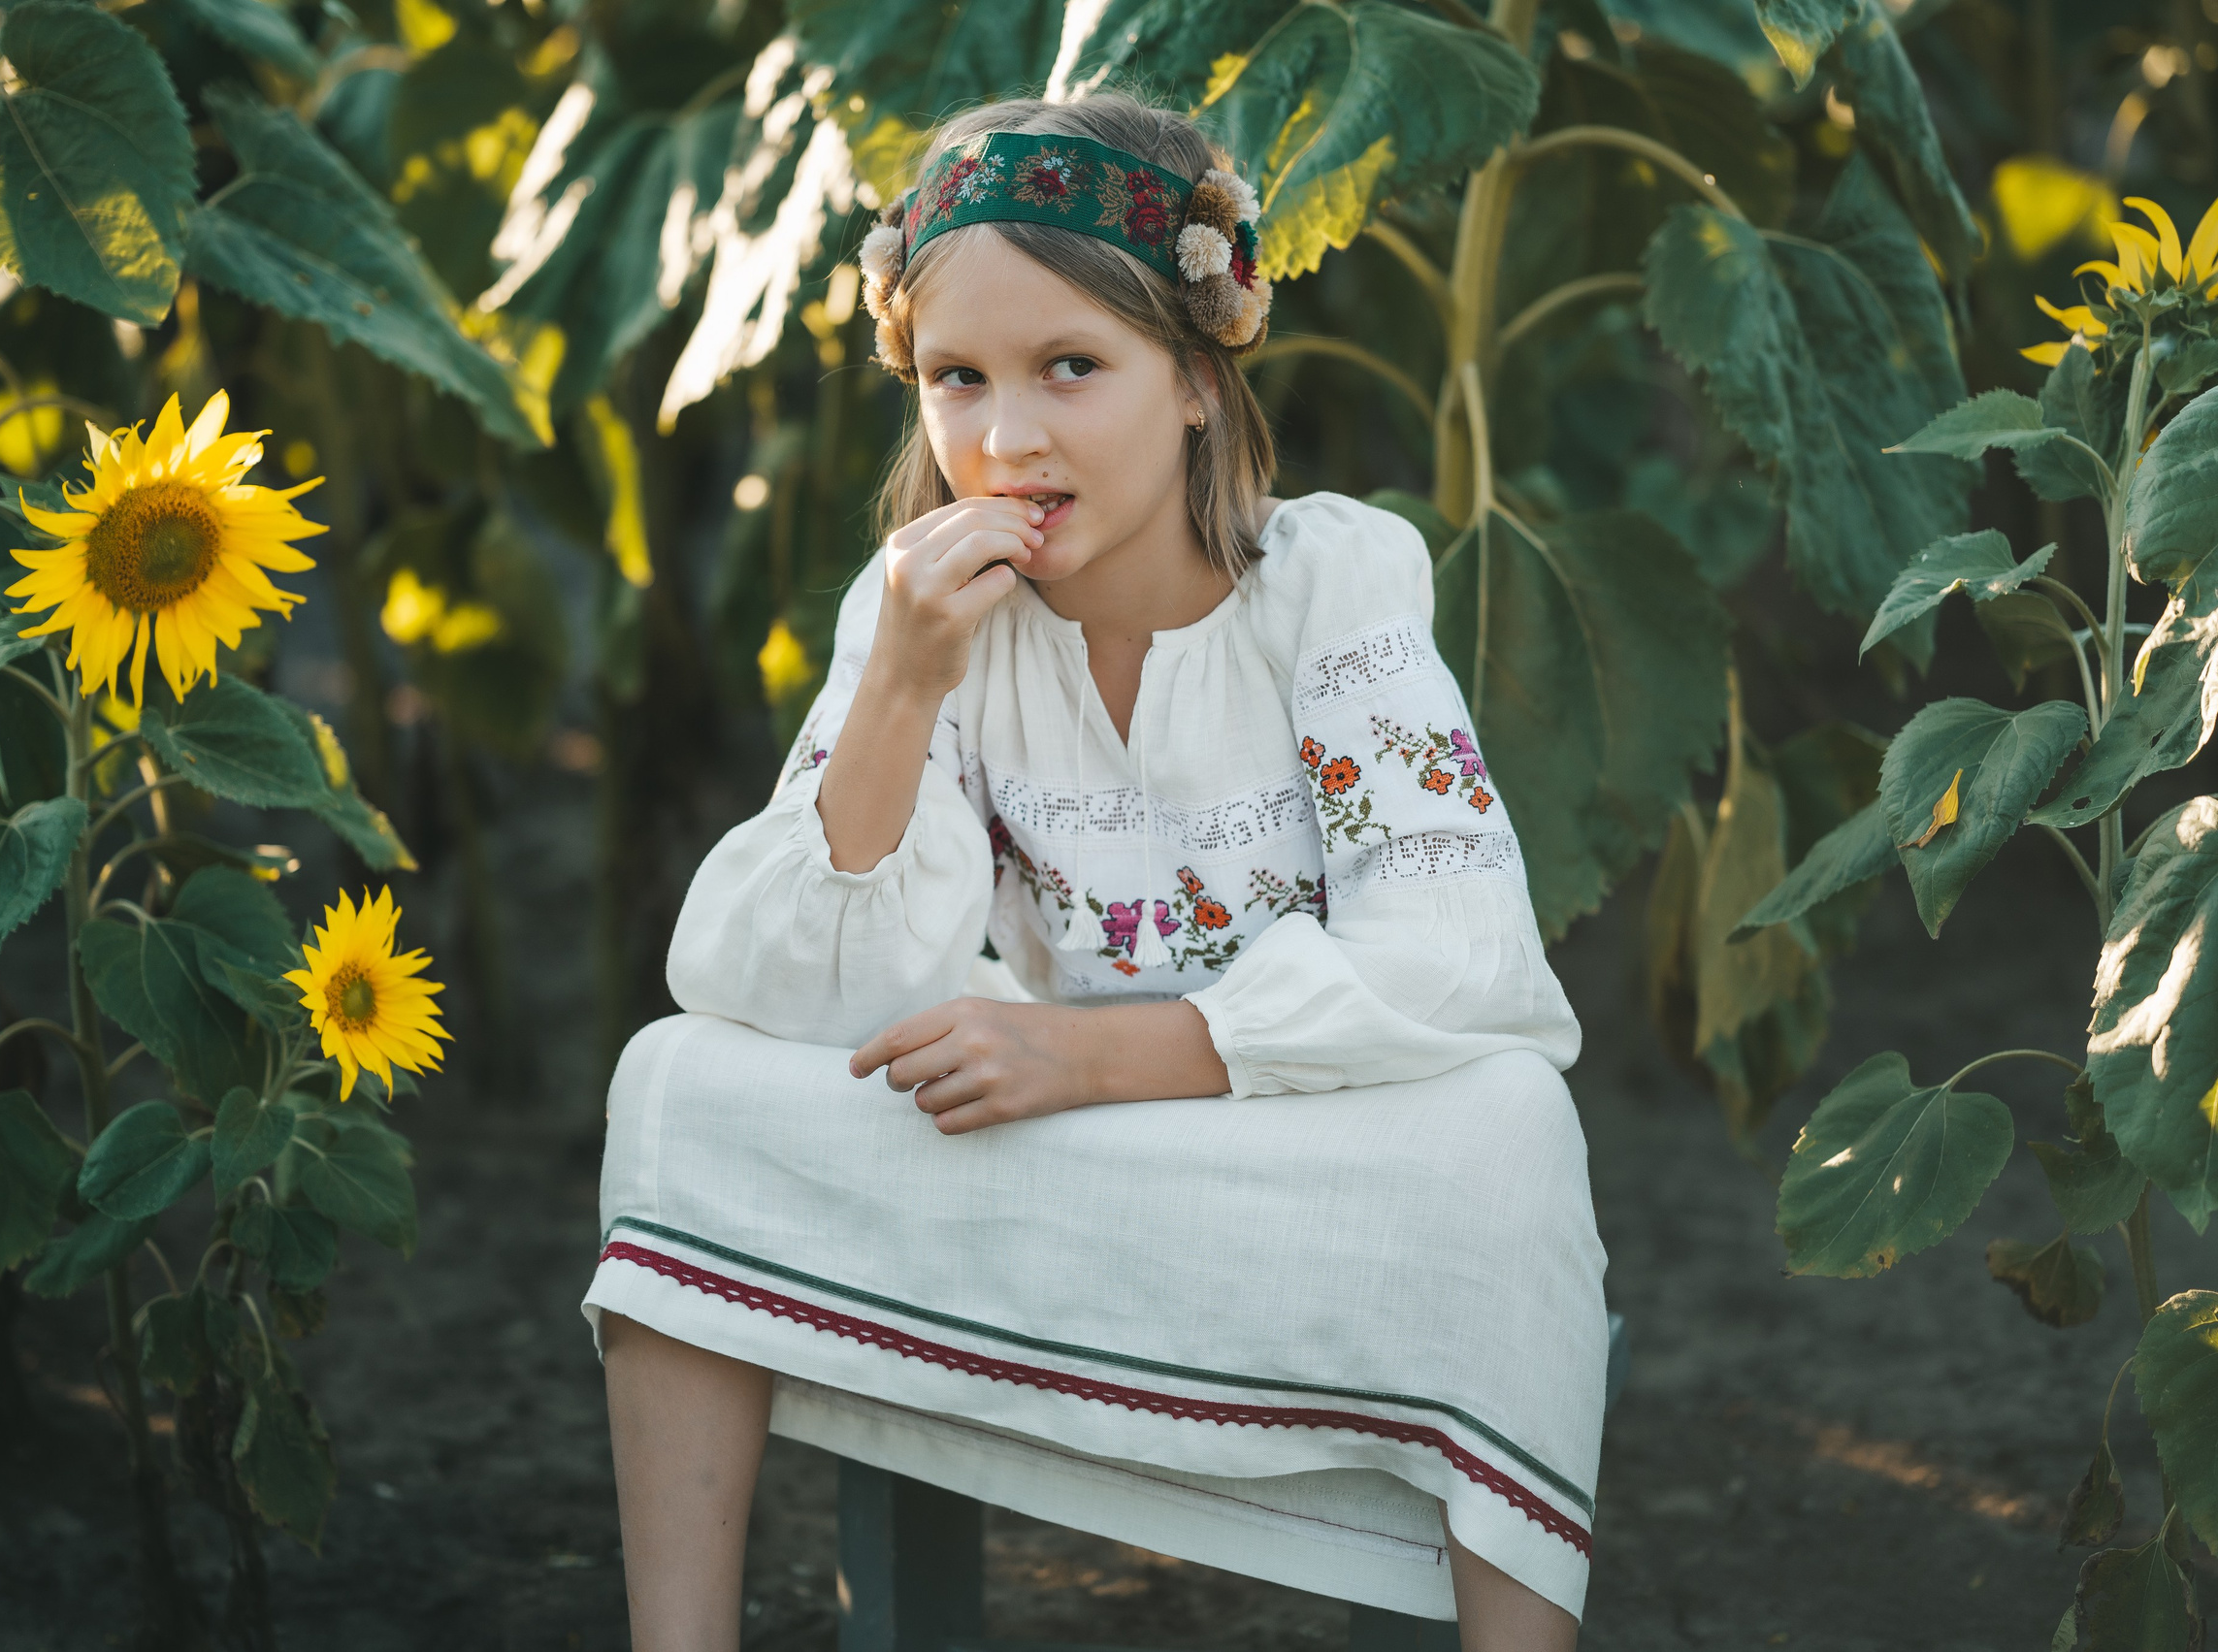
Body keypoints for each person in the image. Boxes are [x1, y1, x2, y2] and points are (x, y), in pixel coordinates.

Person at [582, 88, 1607, 1651]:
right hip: (1057, 1173)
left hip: (1288, 1151)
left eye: (1072, 366)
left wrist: (1089, 1052)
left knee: (1513, 1129)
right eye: (955, 378)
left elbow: (1465, 956)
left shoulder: (1329, 583)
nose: (1005, 437)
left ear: (1197, 379)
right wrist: (906, 686)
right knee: (676, 1082)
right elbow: (762, 980)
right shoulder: (921, 609)